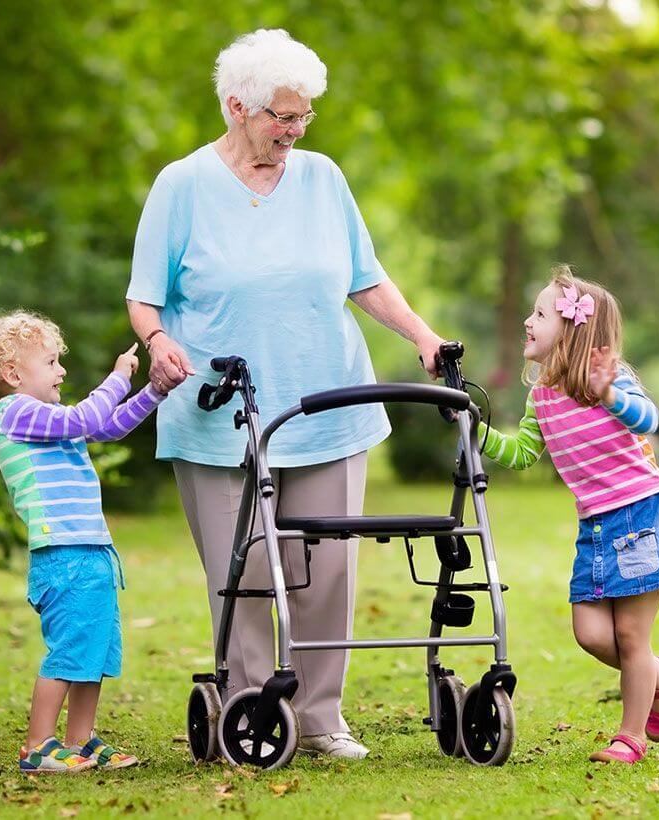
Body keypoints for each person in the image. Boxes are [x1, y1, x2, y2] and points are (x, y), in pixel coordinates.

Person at [125, 28, 447, 760]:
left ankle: (320, 716)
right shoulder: (181, 185)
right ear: (237, 107)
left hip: (327, 401)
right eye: (282, 117)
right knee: (238, 573)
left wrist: (422, 336)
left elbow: (364, 276)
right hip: (219, 413)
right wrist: (158, 342)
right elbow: (144, 298)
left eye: (304, 116)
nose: (295, 131)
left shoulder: (322, 178)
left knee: (326, 569)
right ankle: (250, 711)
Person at [477, 267, 659, 764]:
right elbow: (521, 453)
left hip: (642, 515)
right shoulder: (539, 397)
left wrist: (608, 394)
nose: (527, 321)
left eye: (539, 314)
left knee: (630, 636)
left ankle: (631, 738)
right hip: (595, 526)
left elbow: (649, 420)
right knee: (591, 634)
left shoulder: (611, 381)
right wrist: (475, 431)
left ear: (572, 329)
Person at [0, 311, 170, 772]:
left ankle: (80, 740)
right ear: (14, 375)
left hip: (90, 551)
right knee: (70, 648)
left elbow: (105, 426)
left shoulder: (47, 418)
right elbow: (85, 418)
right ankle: (37, 745)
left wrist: (153, 392)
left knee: (93, 650)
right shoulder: (15, 413)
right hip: (63, 555)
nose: (62, 371)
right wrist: (116, 378)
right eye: (51, 362)